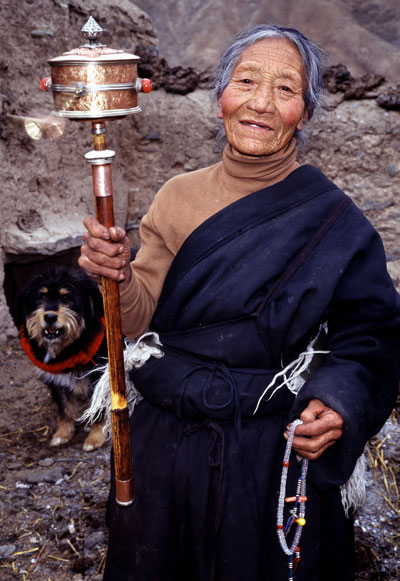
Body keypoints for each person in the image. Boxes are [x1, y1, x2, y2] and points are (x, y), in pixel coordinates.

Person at [79, 24, 400, 581]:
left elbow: (369, 338)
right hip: (166, 444)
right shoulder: (178, 196)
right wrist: (117, 275)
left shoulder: (333, 222)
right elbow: (138, 315)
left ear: (306, 111)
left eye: (285, 89)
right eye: (246, 80)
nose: (261, 103)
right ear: (221, 97)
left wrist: (337, 402)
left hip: (271, 445)